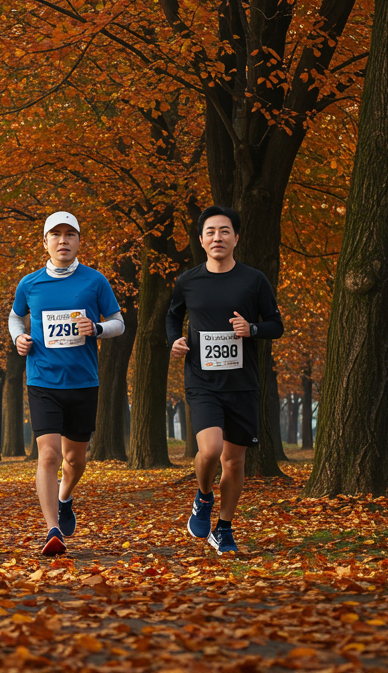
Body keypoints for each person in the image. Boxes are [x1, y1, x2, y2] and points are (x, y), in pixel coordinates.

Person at [167, 205, 283, 555]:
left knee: (234, 462)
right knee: (211, 450)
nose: (218, 237)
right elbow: (172, 317)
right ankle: (203, 496)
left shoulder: (253, 280)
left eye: (225, 231)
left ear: (236, 238)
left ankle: (225, 528)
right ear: (201, 240)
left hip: (242, 383)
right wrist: (174, 340)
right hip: (201, 380)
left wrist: (253, 329)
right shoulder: (188, 281)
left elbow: (276, 324)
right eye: (211, 232)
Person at [9, 212, 125, 557]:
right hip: (43, 379)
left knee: (75, 460)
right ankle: (52, 529)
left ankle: (65, 497)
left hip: (83, 381)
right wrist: (19, 338)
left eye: (69, 235)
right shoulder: (29, 283)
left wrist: (99, 329)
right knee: (49, 454)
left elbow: (118, 321)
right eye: (55, 235)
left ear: (78, 242)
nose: (63, 241)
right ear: (45, 242)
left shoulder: (95, 281)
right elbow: (16, 315)